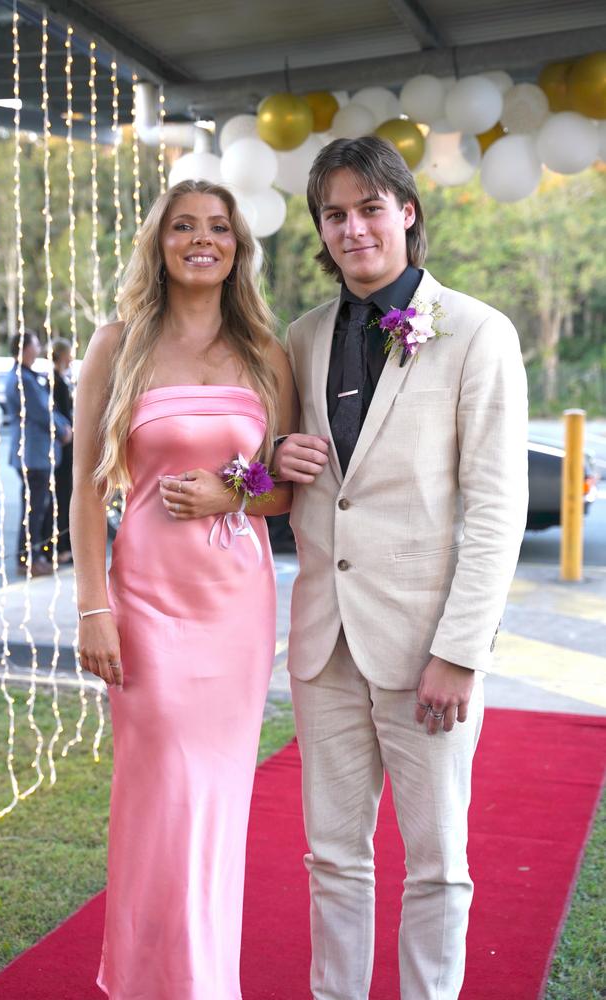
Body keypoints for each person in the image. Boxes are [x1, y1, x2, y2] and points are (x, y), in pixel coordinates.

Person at [274, 136, 529, 1000]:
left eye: (369, 209)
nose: (353, 229)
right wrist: (278, 456)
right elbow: (295, 481)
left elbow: (496, 509)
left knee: (437, 862)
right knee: (333, 856)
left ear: (406, 212)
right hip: (324, 646)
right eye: (334, 215)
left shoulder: (478, 333)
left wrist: (461, 650)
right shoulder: (301, 338)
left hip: (428, 649)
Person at [70, 179, 296, 999]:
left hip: (235, 606)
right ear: (158, 242)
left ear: (239, 247)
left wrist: (233, 493)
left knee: (217, 801)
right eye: (184, 226)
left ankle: (202, 982)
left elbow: (285, 488)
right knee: (159, 791)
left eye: (219, 228)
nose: (203, 239)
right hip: (145, 604)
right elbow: (88, 489)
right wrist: (93, 606)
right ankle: (144, 980)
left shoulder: (266, 353)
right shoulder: (118, 343)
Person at [5, 330, 72, 577]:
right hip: (33, 453)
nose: (40, 348)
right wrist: (63, 429)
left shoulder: (26, 376)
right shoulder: (23, 379)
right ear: (25, 348)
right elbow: (41, 412)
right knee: (34, 509)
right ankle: (28, 559)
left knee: (35, 507)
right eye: (35, 345)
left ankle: (31, 557)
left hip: (34, 453)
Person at [51, 338, 74, 563]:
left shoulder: (61, 379)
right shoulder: (55, 381)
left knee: (66, 495)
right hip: (64, 447)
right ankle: (61, 546)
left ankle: (64, 545)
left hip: (68, 445)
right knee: (63, 496)